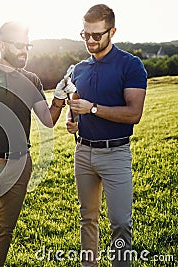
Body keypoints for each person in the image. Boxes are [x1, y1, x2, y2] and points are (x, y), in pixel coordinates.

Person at [0, 21, 76, 267]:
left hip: (20, 164)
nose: (24, 51)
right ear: (1, 45)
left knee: (5, 229)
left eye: (27, 46)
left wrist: (60, 99)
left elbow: (47, 120)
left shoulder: (32, 80)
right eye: (18, 45)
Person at [66, 4, 147, 267]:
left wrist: (93, 108)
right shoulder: (79, 69)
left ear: (112, 31)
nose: (90, 40)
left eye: (96, 35)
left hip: (116, 154)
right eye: (85, 34)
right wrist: (72, 119)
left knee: (121, 222)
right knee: (87, 217)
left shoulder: (131, 65)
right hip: (83, 153)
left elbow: (134, 113)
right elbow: (75, 105)